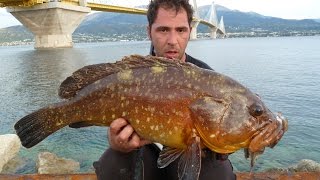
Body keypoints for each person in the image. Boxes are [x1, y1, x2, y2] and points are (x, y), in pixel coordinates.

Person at [93, 0, 236, 179]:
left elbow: (226, 133)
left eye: (181, 30)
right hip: (142, 150)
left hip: (186, 153)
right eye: (163, 30)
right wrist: (117, 143)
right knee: (112, 164)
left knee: (219, 173)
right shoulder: (130, 74)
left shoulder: (208, 79)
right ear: (149, 32)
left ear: (190, 31)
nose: (172, 41)